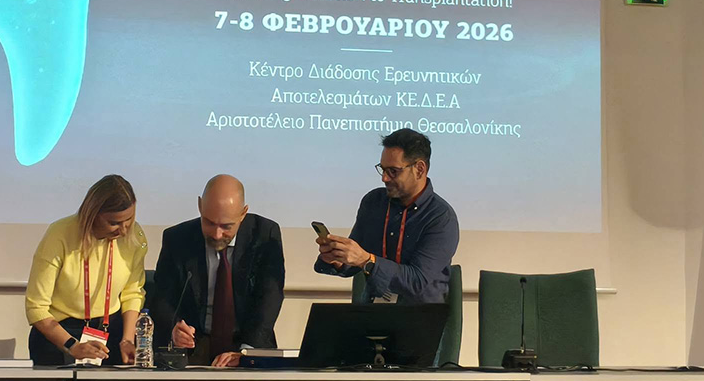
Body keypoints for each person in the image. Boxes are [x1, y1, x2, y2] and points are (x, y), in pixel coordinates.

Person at [151, 174, 284, 367]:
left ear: (243, 214)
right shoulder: (177, 238)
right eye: (209, 222)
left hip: (247, 342)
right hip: (194, 347)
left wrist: (247, 353)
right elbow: (163, 297)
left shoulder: (265, 235)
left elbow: (270, 297)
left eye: (226, 226)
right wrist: (174, 328)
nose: (216, 234)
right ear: (200, 206)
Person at [315, 128, 458, 303]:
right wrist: (337, 258)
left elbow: (417, 281)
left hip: (419, 314)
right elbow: (356, 258)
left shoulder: (441, 217)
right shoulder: (374, 202)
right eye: (382, 169)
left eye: (393, 171)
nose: (384, 178)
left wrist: (367, 260)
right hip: (373, 309)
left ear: (419, 169)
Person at [25, 174, 148, 365]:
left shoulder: (134, 236)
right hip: (59, 335)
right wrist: (72, 345)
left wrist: (128, 340)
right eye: (114, 223)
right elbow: (36, 308)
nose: (123, 230)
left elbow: (132, 293)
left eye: (129, 220)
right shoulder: (59, 234)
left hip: (110, 333)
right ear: (93, 214)